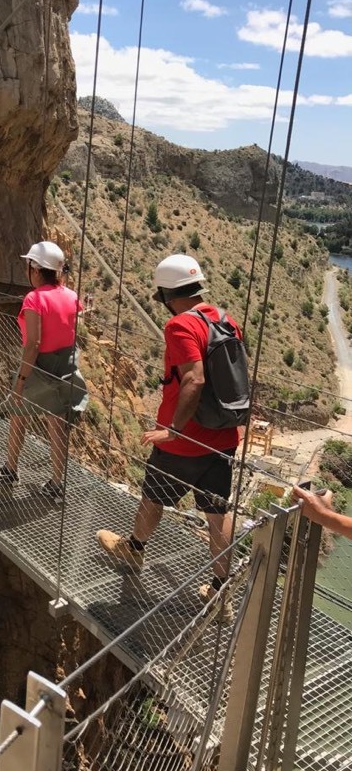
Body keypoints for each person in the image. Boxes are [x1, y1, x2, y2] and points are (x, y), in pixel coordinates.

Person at [96, 254, 241, 622]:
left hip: (184, 441)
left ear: (165, 293)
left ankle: (135, 548)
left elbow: (195, 378)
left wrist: (172, 429)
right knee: (216, 511)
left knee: (153, 496)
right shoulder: (226, 321)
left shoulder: (179, 326)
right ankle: (221, 593)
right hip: (222, 437)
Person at [0, 241, 89, 501]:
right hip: (65, 363)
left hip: (39, 364)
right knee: (57, 423)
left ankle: (11, 469)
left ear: (34, 268)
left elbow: (32, 343)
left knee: (18, 413)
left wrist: (21, 381)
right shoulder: (71, 295)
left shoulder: (34, 298)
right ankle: (57, 482)